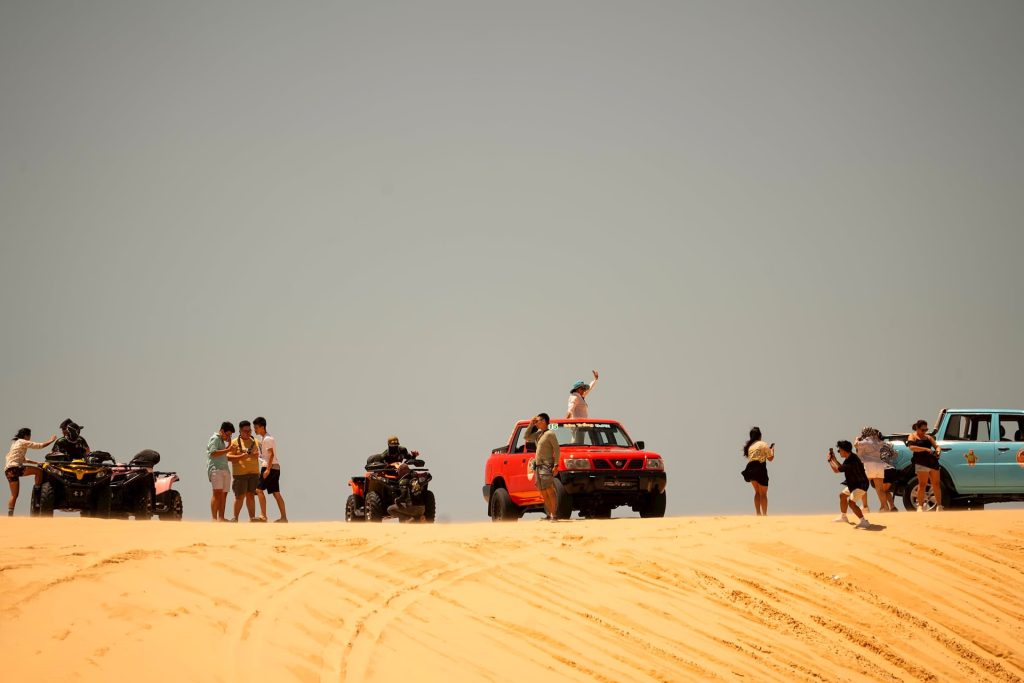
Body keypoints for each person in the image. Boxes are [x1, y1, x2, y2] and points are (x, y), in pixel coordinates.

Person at [5, 428, 57, 516]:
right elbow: (39, 446)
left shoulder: (15, 443)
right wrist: (51, 441)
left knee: (14, 495)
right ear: (26, 435)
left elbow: (23, 459)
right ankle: (37, 492)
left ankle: (10, 514)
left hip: (8, 470)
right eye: (29, 436)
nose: (30, 438)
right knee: (39, 471)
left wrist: (36, 462)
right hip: (16, 468)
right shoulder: (23, 441)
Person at [524, 413, 561, 520]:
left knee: (549, 489)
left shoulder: (550, 434)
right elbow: (526, 437)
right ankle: (549, 514)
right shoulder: (539, 434)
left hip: (547, 465)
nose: (536, 422)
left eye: (538, 420)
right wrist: (531, 424)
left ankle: (554, 514)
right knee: (543, 491)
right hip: (538, 466)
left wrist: (556, 465)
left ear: (544, 421)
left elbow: (557, 450)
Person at [828, 441, 872, 529]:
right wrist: (834, 460)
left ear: (844, 450)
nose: (839, 452)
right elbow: (841, 467)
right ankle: (843, 517)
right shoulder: (849, 458)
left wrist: (829, 461)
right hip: (853, 484)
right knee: (842, 496)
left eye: (839, 450)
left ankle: (864, 521)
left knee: (851, 503)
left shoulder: (852, 460)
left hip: (860, 485)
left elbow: (836, 470)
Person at [227, 420, 262, 522]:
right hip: (240, 474)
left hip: (254, 473)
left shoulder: (256, 442)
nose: (248, 433)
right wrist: (240, 456)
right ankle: (235, 518)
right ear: (240, 431)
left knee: (251, 496)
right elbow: (227, 456)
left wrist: (258, 455)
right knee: (239, 497)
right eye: (245, 431)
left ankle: (252, 518)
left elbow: (263, 455)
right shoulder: (234, 442)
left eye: (249, 431)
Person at [253, 416, 287, 523]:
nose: (255, 429)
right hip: (275, 467)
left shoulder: (267, 439)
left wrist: (267, 469)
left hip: (270, 467)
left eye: (256, 427)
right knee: (276, 493)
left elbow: (271, 455)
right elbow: (267, 455)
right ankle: (284, 517)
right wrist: (258, 456)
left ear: (262, 427)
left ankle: (263, 516)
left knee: (259, 490)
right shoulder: (266, 438)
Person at [907, 419, 943, 512]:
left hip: (932, 462)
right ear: (917, 429)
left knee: (936, 483)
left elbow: (937, 446)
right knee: (922, 484)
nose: (924, 432)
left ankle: (939, 505)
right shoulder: (912, 436)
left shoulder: (928, 437)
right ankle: (920, 506)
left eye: (926, 430)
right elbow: (911, 447)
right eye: (922, 430)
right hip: (921, 462)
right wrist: (925, 449)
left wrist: (938, 451)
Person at [855, 427, 891, 512]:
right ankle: (884, 507)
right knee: (880, 489)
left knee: (862, 485)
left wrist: (857, 438)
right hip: (879, 465)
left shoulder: (866, 441)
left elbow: (856, 445)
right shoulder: (879, 442)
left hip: (869, 465)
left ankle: (865, 507)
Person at [741, 427, 774, 516]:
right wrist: (772, 451)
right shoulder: (763, 444)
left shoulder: (750, 446)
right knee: (763, 493)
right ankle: (765, 514)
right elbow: (770, 458)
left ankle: (758, 514)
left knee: (757, 492)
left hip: (750, 469)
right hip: (760, 468)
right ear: (760, 435)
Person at [207, 422, 234, 521]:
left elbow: (222, 454)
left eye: (230, 435)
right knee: (217, 493)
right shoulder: (215, 438)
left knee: (224, 494)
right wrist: (228, 450)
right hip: (216, 469)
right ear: (222, 431)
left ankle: (221, 517)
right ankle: (214, 518)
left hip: (224, 469)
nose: (228, 436)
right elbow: (213, 453)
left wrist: (229, 446)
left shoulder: (221, 441)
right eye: (228, 434)